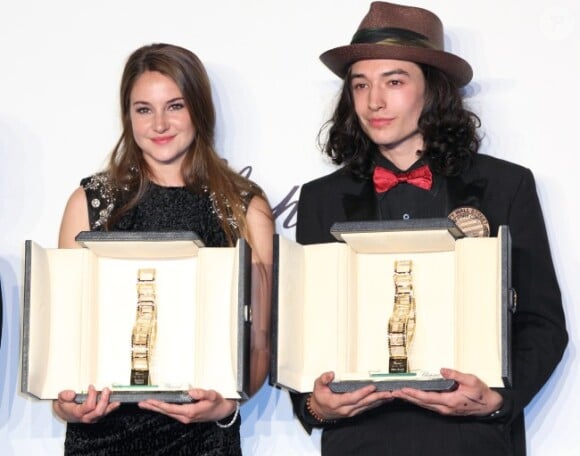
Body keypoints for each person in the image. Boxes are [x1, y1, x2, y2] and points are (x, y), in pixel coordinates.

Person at [291, 2, 567, 455]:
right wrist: (316, 407)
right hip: (361, 440)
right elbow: (304, 331)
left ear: (432, 90)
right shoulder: (321, 198)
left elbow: (542, 322)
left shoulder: (506, 185)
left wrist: (497, 401)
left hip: (471, 441)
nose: (373, 101)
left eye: (393, 81)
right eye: (360, 84)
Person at [56, 43, 274, 455]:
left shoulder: (244, 206)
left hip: (204, 439)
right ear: (128, 116)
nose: (159, 124)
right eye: (143, 109)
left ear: (199, 109)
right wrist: (66, 404)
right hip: (102, 437)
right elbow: (66, 334)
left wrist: (227, 404)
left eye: (174, 106)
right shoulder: (89, 203)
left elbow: (260, 340)